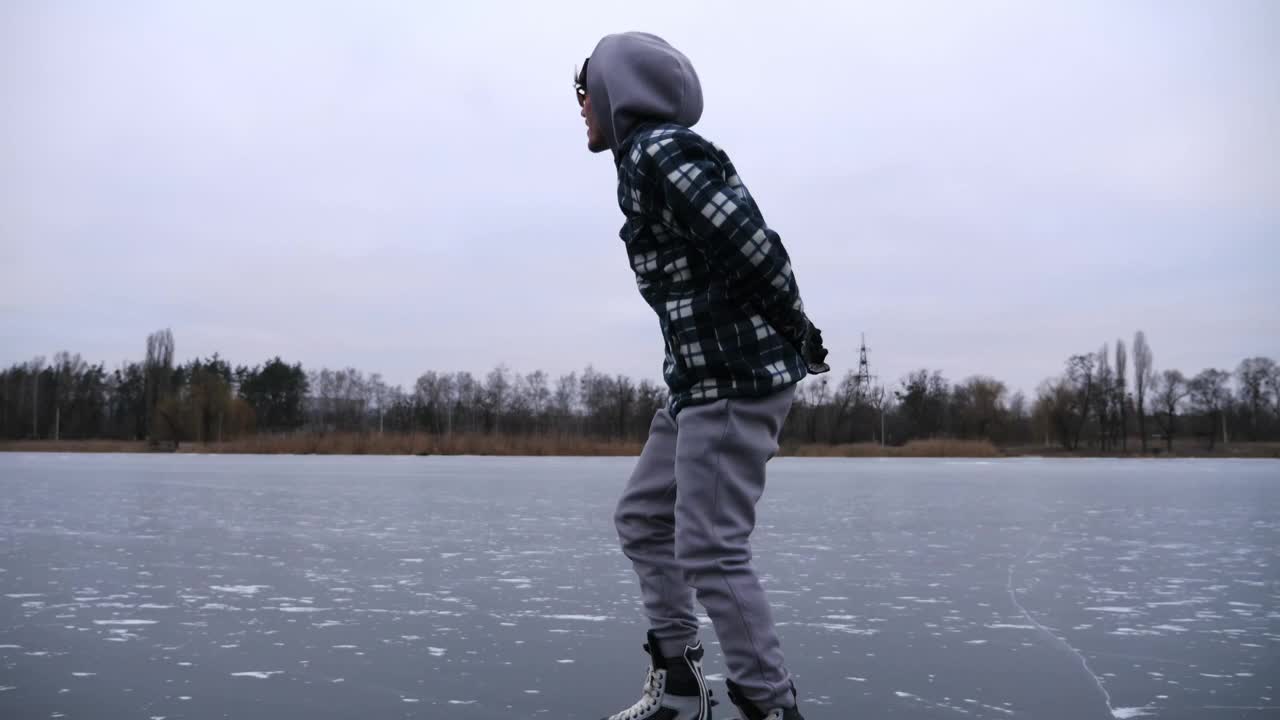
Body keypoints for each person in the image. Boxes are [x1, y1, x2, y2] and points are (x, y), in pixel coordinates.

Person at [576, 32, 830, 720]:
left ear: (613, 94)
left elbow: (751, 242)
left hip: (732, 378)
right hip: (696, 380)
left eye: (583, 91)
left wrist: (796, 331)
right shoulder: (642, 161)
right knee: (643, 519)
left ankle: (770, 707)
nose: (579, 109)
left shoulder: (661, 154)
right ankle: (683, 690)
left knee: (711, 548)